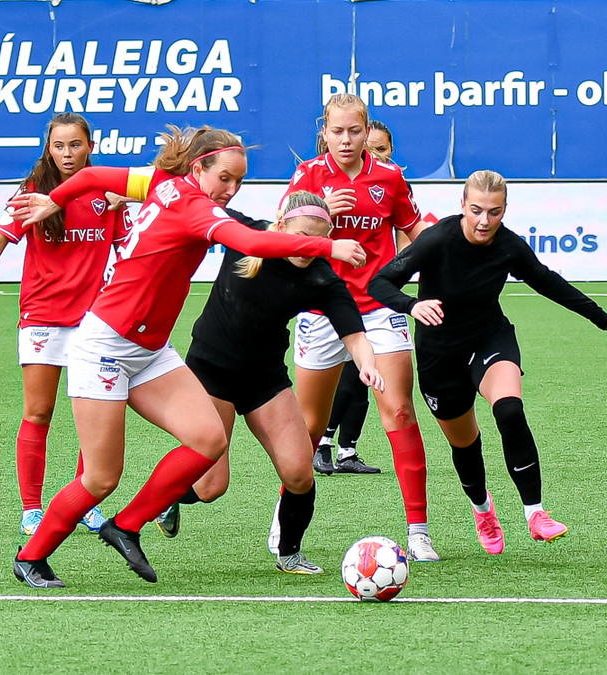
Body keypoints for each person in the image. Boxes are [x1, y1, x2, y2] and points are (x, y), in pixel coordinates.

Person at [6, 125, 367, 587]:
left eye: (239, 181)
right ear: (198, 168)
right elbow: (253, 243)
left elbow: (92, 179)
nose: (231, 189)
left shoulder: (158, 181)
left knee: (208, 440)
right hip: (104, 348)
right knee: (101, 478)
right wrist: (327, 245)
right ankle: (31, 557)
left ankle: (126, 526)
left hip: (151, 351)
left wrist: (54, 200)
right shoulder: (194, 206)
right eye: (224, 178)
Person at [368, 169, 607, 554]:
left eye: (494, 212)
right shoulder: (436, 240)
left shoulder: (509, 246)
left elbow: (548, 282)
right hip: (439, 355)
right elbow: (379, 283)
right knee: (465, 444)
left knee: (510, 410)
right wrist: (412, 305)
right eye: (476, 210)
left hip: (489, 338)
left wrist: (603, 319)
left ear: (505, 210)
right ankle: (483, 510)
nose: (484, 221)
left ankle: (536, 513)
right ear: (462, 206)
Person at [153, 191, 384, 575]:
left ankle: (289, 553)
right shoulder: (243, 234)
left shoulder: (321, 279)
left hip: (264, 379)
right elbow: (184, 202)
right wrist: (125, 196)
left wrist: (368, 366)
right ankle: (167, 497)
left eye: (318, 240)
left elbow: (356, 337)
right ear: (281, 226)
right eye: (302, 237)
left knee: (299, 473)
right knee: (211, 487)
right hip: (210, 372)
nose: (309, 248)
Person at [273, 94, 441, 563]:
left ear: (367, 131)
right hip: (321, 307)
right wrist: (320, 209)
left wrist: (442, 262)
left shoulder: (389, 176)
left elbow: (414, 231)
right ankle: (284, 521)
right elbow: (281, 236)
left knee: (399, 412)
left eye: (354, 131)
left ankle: (419, 531)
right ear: (323, 132)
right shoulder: (307, 176)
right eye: (337, 131)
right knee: (309, 425)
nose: (345, 140)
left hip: (378, 307)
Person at [0, 112, 120, 538]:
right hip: (42, 317)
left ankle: (85, 503)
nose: (67, 153)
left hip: (93, 321)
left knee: (95, 415)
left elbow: (130, 248)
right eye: (59, 146)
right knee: (38, 411)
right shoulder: (33, 192)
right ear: (48, 149)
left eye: (75, 145)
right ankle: (32, 509)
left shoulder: (109, 192)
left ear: (90, 147)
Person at [314, 119, 400, 476]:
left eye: (383, 149)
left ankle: (346, 449)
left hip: (376, 300)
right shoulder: (318, 178)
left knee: (367, 382)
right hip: (333, 302)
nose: (377, 154)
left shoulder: (391, 180)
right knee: (349, 378)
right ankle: (323, 441)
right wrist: (323, 209)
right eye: (373, 148)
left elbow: (406, 231)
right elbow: (288, 229)